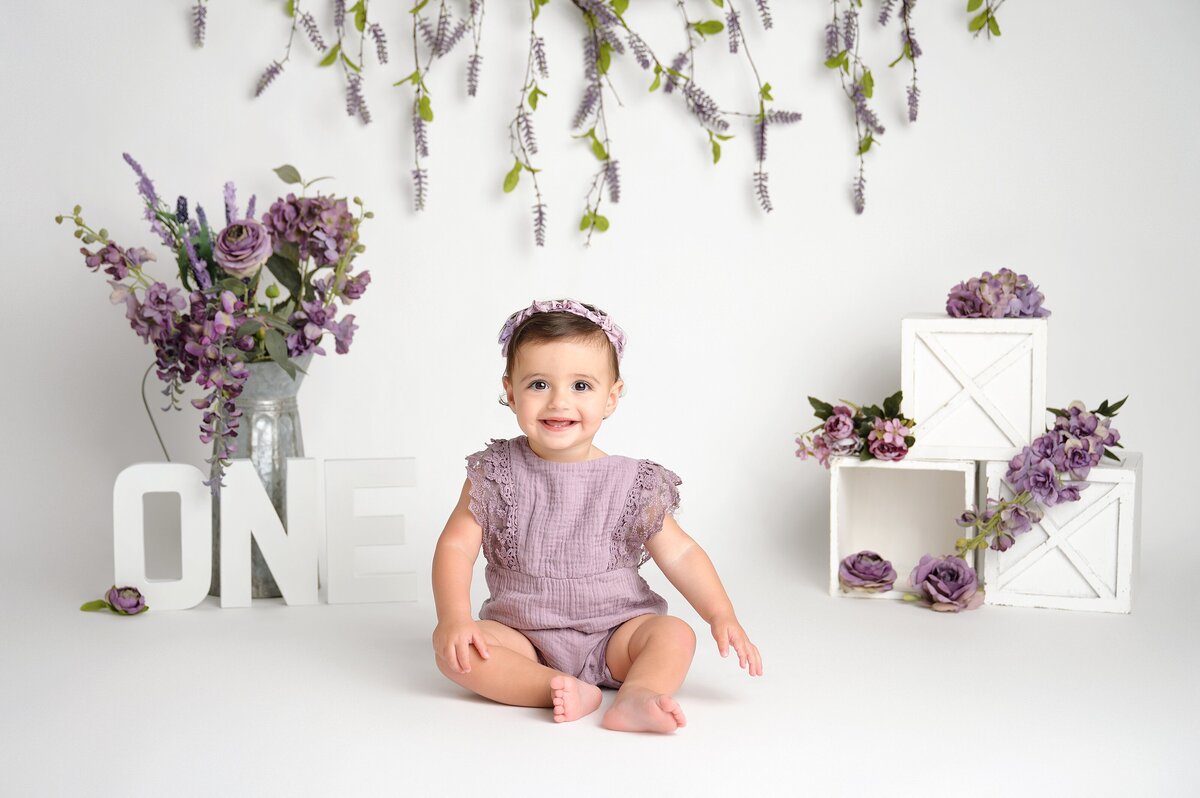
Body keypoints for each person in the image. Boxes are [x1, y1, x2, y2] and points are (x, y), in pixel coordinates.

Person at [431, 299, 761, 733]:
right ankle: (552, 685)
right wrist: (453, 619)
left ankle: (638, 695)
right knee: (454, 652)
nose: (559, 402)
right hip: (522, 636)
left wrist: (722, 613)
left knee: (674, 634)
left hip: (616, 634)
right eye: (538, 385)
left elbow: (679, 553)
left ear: (611, 397)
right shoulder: (495, 472)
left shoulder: (631, 482)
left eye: (581, 386)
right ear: (510, 392)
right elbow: (456, 545)